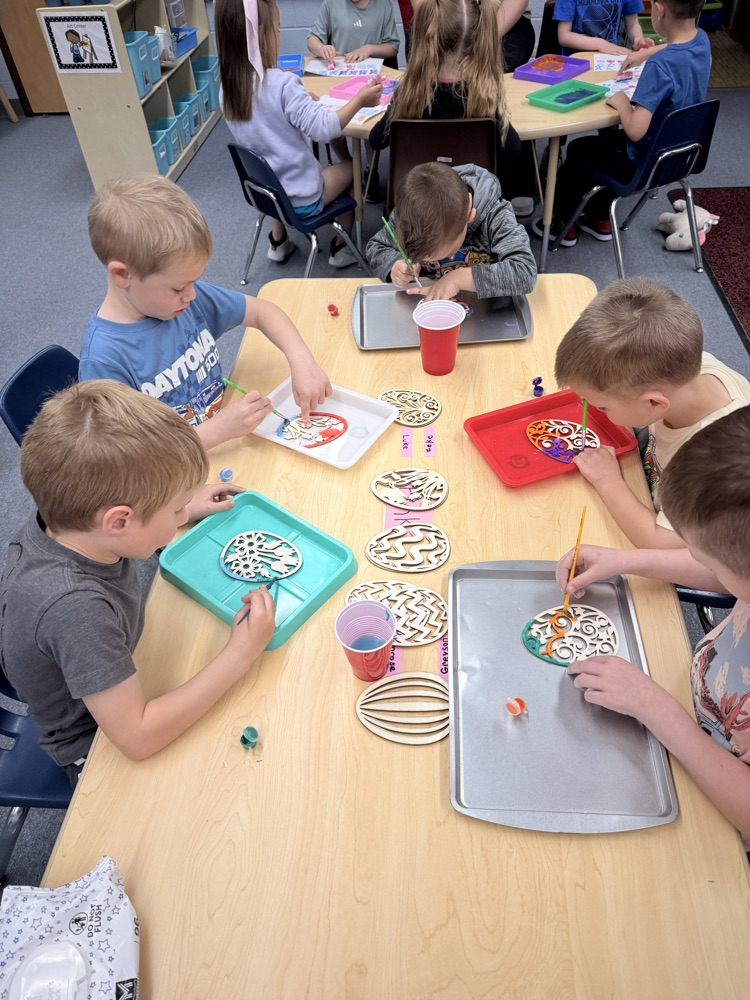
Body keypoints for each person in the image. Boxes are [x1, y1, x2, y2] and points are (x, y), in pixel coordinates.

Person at [0, 381, 276, 785]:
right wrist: (241, 653)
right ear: (119, 521)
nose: (182, 516)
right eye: (175, 508)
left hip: (121, 672)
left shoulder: (65, 517)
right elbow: (137, 738)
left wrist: (178, 509)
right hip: (97, 747)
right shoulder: (74, 608)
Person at [556, 405, 750, 849]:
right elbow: (728, 570)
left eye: (704, 556)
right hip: (700, 704)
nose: (699, 562)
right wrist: (628, 560)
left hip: (716, 798)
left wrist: (658, 710)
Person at [79, 172, 332, 449]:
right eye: (178, 288)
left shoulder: (183, 300)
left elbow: (262, 311)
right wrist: (218, 430)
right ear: (122, 275)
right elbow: (130, 461)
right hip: (181, 476)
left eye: (194, 282)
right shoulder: (104, 361)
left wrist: (302, 360)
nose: (192, 295)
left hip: (224, 441)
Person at [554, 278, 750, 548]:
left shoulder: (714, 461)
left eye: (600, 406)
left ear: (655, 404)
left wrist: (607, 480)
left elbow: (660, 543)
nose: (590, 408)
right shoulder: (684, 364)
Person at [216, 0, 382, 268]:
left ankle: (278, 241)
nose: (279, 36)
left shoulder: (228, 89)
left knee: (268, 159)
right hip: (302, 196)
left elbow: (266, 124)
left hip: (267, 192)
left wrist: (299, 101)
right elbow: (325, 129)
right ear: (262, 37)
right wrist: (360, 100)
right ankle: (342, 250)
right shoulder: (283, 85)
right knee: (353, 170)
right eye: (278, 30)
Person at [533, 0, 710, 245]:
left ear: (659, 10)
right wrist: (645, 53)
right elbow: (673, 47)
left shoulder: (660, 66)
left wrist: (622, 102)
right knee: (606, 145)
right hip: (680, 155)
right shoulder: (702, 40)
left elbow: (635, 130)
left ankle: (560, 225)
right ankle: (600, 218)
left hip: (643, 160)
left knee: (580, 150)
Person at [369, 0, 528, 203]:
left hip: (420, 203)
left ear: (427, 34)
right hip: (470, 204)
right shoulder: (484, 97)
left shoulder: (409, 93)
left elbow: (376, 140)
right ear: (477, 37)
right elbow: (513, 150)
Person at [366, 161, 537, 300]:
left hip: (485, 310)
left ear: (469, 217)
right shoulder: (409, 214)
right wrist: (394, 265)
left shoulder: (495, 215)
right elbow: (376, 247)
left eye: (445, 252)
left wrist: (457, 279)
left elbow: (525, 272)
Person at [307, 0, 399, 201]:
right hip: (339, 82)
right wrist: (321, 48)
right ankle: (349, 165)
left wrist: (368, 49)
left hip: (370, 79)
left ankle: (370, 170)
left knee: (370, 126)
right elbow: (312, 38)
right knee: (331, 121)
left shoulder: (383, 5)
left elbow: (392, 47)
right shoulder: (332, 4)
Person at [553, 0, 649, 57]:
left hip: (610, 57)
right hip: (579, 61)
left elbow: (632, 24)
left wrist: (638, 39)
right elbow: (564, 36)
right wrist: (600, 44)